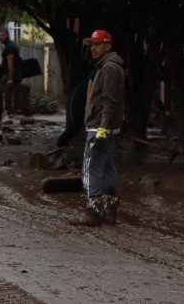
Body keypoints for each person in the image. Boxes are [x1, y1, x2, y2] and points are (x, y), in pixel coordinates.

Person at [71, 30, 124, 227]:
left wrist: (101, 128)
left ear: (108, 45)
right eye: (91, 45)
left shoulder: (108, 68)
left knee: (90, 169)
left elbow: (109, 101)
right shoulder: (112, 66)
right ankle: (109, 214)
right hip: (109, 129)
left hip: (99, 128)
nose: (93, 48)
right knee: (108, 169)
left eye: (97, 44)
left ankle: (92, 213)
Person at [0, 26, 22, 124]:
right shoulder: (10, 45)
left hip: (11, 76)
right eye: (0, 36)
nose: (1, 37)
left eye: (3, 35)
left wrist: (10, 79)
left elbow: (11, 65)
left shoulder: (9, 47)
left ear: (7, 35)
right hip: (13, 75)